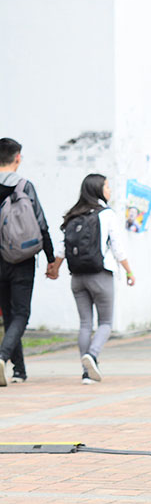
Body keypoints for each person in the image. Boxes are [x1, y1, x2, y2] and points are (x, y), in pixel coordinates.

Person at [61, 174, 135, 383]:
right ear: (97, 190)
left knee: (85, 323)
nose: (109, 191)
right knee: (106, 322)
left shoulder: (73, 215)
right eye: (107, 187)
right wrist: (129, 272)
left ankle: (86, 373)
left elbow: (61, 249)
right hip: (100, 275)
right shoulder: (106, 214)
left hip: (77, 277)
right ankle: (92, 356)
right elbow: (118, 249)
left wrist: (55, 269)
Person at [0, 138, 62, 385]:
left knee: (9, 313)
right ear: (17, 158)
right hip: (23, 258)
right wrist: (51, 259)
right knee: (21, 313)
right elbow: (41, 224)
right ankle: (3, 356)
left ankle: (19, 370)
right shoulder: (24, 186)